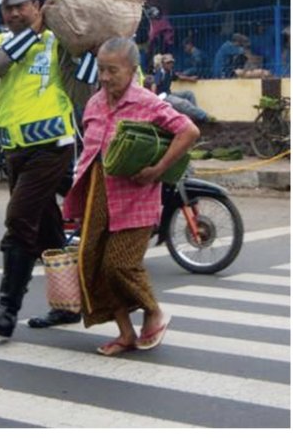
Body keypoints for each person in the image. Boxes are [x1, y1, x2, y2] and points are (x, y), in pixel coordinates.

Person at [63, 37, 199, 356]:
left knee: (120, 264)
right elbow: (89, 155)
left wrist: (157, 169)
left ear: (133, 70)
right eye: (101, 70)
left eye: (113, 70)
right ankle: (125, 333)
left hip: (136, 196)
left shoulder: (147, 102)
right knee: (94, 263)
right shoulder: (95, 103)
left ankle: (154, 311)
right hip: (97, 191)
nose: (106, 77)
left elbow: (189, 131)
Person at [0, 0, 86, 338]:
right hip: (15, 152)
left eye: (22, 6)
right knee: (49, 232)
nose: (15, 14)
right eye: (9, 8)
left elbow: (84, 80)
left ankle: (6, 310)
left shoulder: (58, 43)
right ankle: (69, 305)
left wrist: (97, 45)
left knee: (20, 222)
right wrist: (33, 33)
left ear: (38, 5)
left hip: (51, 149)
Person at [153, 54, 213, 123]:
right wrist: (154, 99)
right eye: (168, 63)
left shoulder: (170, 72)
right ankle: (204, 116)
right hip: (162, 96)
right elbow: (154, 84)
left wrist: (190, 79)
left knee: (189, 94)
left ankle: (194, 117)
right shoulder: (160, 72)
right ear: (163, 64)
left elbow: (178, 77)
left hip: (169, 93)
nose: (170, 64)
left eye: (171, 62)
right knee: (183, 103)